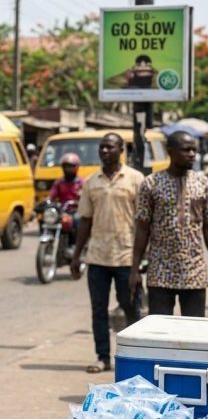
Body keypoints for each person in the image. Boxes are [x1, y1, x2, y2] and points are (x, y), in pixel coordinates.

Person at [70, 133, 144, 374]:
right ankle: (102, 357)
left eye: (109, 147)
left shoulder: (135, 179)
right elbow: (85, 221)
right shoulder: (92, 182)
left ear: (121, 149)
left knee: (131, 307)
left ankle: (135, 358)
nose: (104, 151)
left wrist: (143, 260)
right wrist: (76, 255)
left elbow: (144, 222)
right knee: (98, 310)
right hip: (98, 257)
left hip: (126, 256)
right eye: (102, 147)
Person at [130, 131, 208, 317]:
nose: (192, 155)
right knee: (160, 332)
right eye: (186, 150)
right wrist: (135, 270)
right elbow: (142, 229)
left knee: (194, 332)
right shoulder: (151, 184)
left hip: (194, 272)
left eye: (194, 151)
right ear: (171, 152)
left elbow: (207, 227)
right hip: (160, 271)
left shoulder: (203, 184)